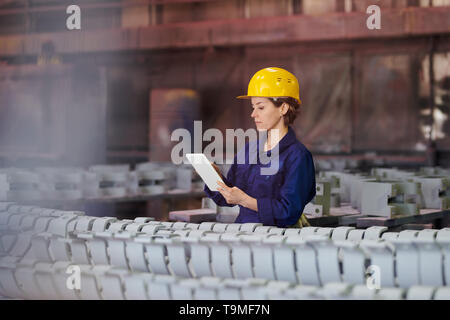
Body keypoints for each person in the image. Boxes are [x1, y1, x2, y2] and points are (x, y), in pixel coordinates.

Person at [204, 67, 316, 228]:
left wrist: (244, 200)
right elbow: (227, 198)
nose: (253, 114)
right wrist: (214, 179)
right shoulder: (249, 150)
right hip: (243, 235)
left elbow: (288, 212)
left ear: (283, 108)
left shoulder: (298, 156)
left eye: (261, 107)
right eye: (253, 107)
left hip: (276, 242)